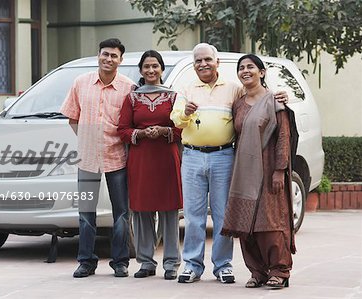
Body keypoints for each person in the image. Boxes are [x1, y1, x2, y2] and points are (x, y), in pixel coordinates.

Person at [170, 43, 288, 284]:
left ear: (217, 63)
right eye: (198, 61)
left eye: (207, 60)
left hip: (224, 157)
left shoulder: (233, 89)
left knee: (225, 215)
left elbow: (257, 100)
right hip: (192, 157)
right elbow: (175, 119)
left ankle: (223, 266)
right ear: (194, 65)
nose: (203, 64)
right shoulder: (185, 88)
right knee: (193, 216)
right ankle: (192, 265)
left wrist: (280, 94)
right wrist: (185, 114)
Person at [60, 38, 135, 278]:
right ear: (98, 56)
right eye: (105, 54)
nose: (109, 59)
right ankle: (86, 261)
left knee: (121, 213)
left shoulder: (129, 87)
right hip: (88, 158)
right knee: (86, 212)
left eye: (114, 56)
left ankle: (120, 262)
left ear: (121, 60)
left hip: (118, 157)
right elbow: (72, 117)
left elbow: (131, 123)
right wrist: (87, 139)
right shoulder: (81, 83)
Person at [221, 54, 297, 289]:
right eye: (241, 68)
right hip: (243, 172)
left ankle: (279, 270)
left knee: (270, 221)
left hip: (268, 169)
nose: (245, 71)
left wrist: (279, 170)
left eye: (250, 67)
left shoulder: (275, 101)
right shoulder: (238, 104)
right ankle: (257, 272)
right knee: (246, 222)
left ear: (261, 72)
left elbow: (284, 136)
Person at [118, 50, 182, 280]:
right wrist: (142, 133)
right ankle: (146, 262)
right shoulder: (132, 98)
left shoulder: (174, 97)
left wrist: (166, 131)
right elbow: (123, 130)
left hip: (167, 158)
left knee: (170, 211)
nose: (151, 70)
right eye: (146, 67)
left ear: (162, 69)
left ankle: (172, 263)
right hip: (141, 160)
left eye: (155, 66)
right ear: (141, 71)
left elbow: (183, 127)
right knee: (142, 211)